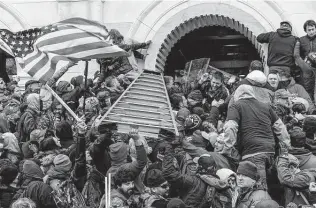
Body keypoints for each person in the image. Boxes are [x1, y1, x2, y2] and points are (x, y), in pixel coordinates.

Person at [223, 85, 290, 190]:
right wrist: (286, 146)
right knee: (273, 186)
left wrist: (227, 148)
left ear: (236, 95)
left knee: (259, 188)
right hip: (270, 151)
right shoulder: (266, 106)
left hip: (252, 152)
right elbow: (280, 127)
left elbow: (230, 126)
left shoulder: (236, 106)